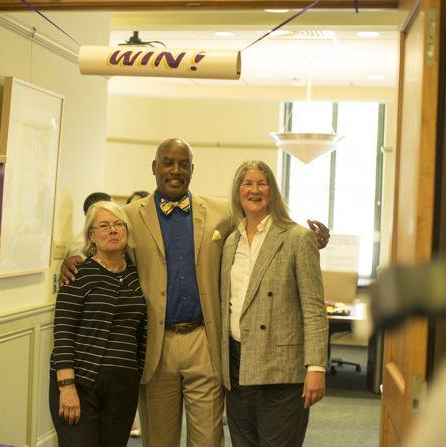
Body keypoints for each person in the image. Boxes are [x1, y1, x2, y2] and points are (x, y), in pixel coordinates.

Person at [61, 138, 330, 447]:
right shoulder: (129, 216)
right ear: (154, 167)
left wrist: (309, 240)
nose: (176, 170)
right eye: (168, 163)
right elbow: (105, 242)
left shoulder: (220, 212)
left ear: (192, 170)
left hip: (205, 341)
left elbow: (265, 228)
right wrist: (75, 259)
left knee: (208, 440)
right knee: (159, 440)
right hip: (157, 345)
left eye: (183, 164)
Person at [220, 161, 328, 447]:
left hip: (282, 368)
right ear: (237, 192)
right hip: (236, 365)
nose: (254, 190)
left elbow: (314, 309)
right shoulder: (231, 241)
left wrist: (316, 366)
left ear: (273, 191)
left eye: (262, 183)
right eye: (247, 183)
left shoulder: (297, 238)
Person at [50, 201, 147, 447]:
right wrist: (67, 387)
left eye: (118, 224)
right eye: (104, 225)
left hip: (123, 386)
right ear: (91, 235)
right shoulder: (78, 274)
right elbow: (63, 334)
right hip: (81, 384)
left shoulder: (137, 276)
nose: (112, 230)